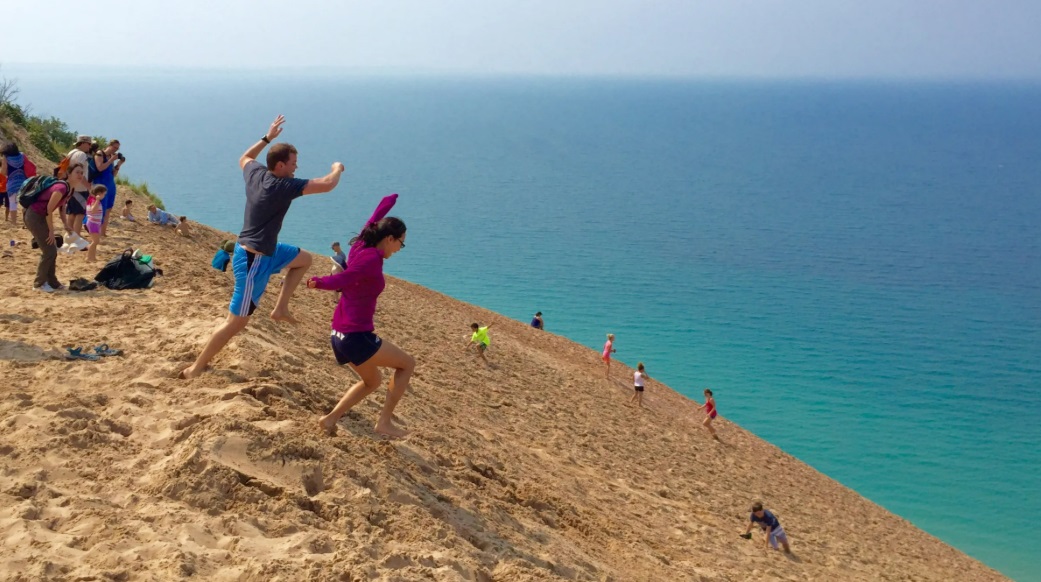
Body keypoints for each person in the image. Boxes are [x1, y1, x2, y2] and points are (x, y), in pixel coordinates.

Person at [180, 114, 346, 380]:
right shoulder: (282, 186)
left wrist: (268, 137)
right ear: (280, 166)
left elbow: (243, 158)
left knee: (304, 259)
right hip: (251, 261)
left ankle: (280, 308)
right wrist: (337, 167)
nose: (296, 167)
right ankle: (195, 368)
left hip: (268, 250)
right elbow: (327, 184)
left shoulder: (256, 174)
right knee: (235, 323)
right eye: (293, 163)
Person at [310, 194, 412, 438]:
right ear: (389, 239)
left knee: (373, 382)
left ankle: (330, 419)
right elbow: (345, 278)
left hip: (339, 334)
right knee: (407, 364)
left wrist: (388, 201)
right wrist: (319, 282)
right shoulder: (369, 259)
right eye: (401, 243)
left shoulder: (361, 246)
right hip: (355, 335)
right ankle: (384, 422)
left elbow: (371, 222)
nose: (400, 249)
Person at [24, 177, 73, 291]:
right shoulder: (61, 188)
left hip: (39, 217)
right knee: (49, 251)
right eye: (77, 172)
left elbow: (62, 207)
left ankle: (53, 283)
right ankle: (39, 284)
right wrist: (51, 231)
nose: (81, 175)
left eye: (81, 172)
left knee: (52, 250)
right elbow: (49, 209)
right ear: (69, 174)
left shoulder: (70, 189)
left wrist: (65, 223)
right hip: (34, 217)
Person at [91, 139, 123, 236]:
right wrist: (111, 160)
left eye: (117, 148)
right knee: (100, 208)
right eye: (114, 147)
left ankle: (103, 232)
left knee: (108, 209)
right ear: (109, 145)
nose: (115, 150)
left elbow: (113, 173)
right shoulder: (100, 154)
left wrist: (118, 164)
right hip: (100, 184)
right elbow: (100, 168)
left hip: (110, 184)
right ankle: (95, 231)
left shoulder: (110, 157)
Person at [2, 141, 37, 226]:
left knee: (13, 204)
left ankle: (14, 223)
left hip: (12, 183)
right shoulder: (22, 155)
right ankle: (26, 222)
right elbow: (28, 166)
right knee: (25, 203)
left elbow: (3, 171)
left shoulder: (6, 157)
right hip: (24, 182)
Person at [84, 185, 106, 263]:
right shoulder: (94, 200)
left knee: (95, 241)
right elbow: (93, 210)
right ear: (99, 193)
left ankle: (92, 257)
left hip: (95, 223)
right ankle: (88, 257)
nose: (104, 196)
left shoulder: (91, 199)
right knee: (95, 241)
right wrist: (97, 200)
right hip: (93, 223)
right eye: (104, 194)